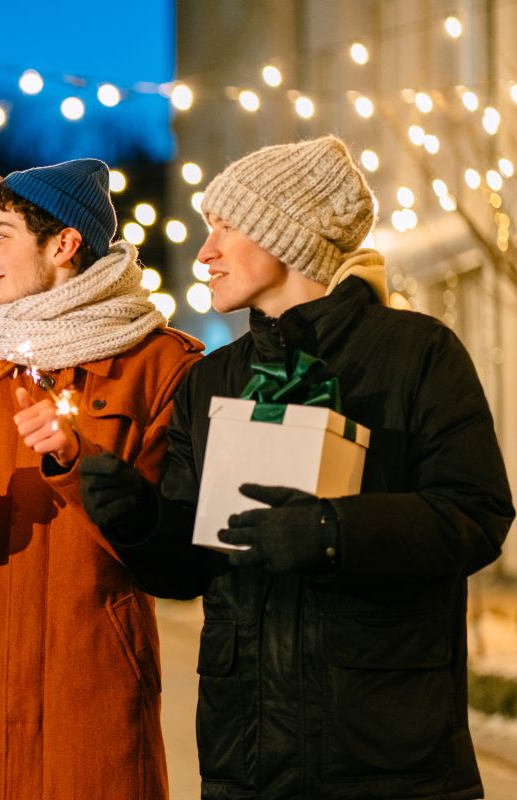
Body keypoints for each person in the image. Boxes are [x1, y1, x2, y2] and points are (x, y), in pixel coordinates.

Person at [80, 136, 515, 799]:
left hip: (387, 756)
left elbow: (475, 513)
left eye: (224, 228)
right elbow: (188, 566)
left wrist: (333, 531)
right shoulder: (211, 381)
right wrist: (137, 518)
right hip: (245, 759)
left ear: (286, 235)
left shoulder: (418, 353)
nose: (205, 252)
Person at [0, 158, 203, 799]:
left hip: (93, 708)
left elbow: (168, 553)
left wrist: (77, 465)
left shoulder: (161, 366)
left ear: (64, 243)